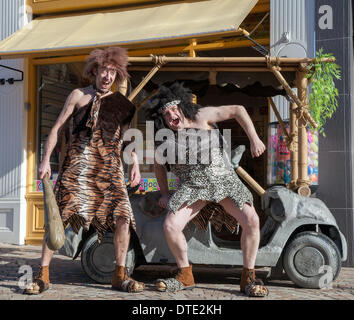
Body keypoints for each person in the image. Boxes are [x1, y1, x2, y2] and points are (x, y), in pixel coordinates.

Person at [24, 47, 145, 294]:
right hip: (77, 165)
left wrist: (135, 165)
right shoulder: (78, 95)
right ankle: (43, 275)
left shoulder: (123, 105)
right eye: (104, 70)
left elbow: (128, 140)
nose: (108, 76)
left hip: (109, 168)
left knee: (123, 218)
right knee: (58, 217)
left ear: (117, 76)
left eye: (113, 72)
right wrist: (46, 159)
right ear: (95, 70)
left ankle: (120, 275)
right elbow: (57, 128)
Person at [145, 82, 269, 297]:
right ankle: (185, 274)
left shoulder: (202, 115)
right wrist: (164, 193)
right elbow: (158, 166)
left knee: (252, 220)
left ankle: (247, 277)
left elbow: (238, 109)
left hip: (224, 181)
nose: (172, 115)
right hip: (193, 187)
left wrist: (254, 138)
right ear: (162, 120)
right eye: (166, 114)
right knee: (170, 225)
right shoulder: (166, 138)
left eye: (174, 109)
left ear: (182, 106)